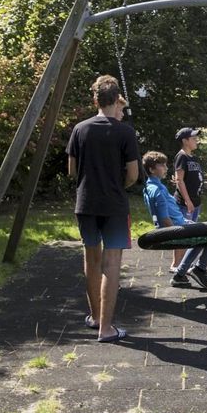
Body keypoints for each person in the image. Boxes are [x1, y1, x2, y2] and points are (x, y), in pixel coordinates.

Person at [67, 75, 140, 342]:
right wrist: (118, 182)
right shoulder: (125, 131)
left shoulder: (80, 129)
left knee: (91, 260)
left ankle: (95, 316)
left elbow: (72, 170)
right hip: (114, 204)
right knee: (111, 263)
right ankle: (106, 328)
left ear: (95, 99)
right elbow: (133, 174)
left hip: (86, 202)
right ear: (116, 98)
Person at [142, 151, 207, 290]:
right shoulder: (157, 190)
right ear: (152, 170)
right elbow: (164, 219)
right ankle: (196, 269)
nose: (165, 168)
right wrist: (177, 234)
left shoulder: (152, 187)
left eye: (165, 165)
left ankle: (182, 275)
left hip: (180, 224)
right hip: (176, 228)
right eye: (161, 165)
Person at [170, 127, 204, 272]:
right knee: (183, 234)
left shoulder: (193, 157)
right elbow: (179, 180)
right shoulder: (181, 156)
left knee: (191, 234)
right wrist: (187, 200)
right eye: (193, 138)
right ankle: (176, 264)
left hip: (196, 202)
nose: (196, 140)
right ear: (185, 141)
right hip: (185, 204)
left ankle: (184, 263)